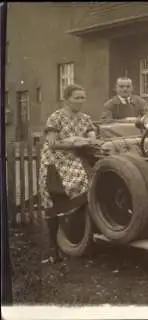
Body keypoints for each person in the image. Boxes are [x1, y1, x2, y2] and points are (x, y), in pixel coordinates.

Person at [39, 84, 101, 263]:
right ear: (66, 99)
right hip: (54, 162)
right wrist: (74, 143)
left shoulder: (86, 119)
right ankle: (53, 251)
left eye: (83, 98)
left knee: (90, 187)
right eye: (76, 98)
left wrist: (83, 141)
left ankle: (79, 239)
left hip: (75, 160)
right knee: (53, 204)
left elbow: (91, 140)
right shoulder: (56, 117)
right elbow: (52, 143)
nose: (80, 101)